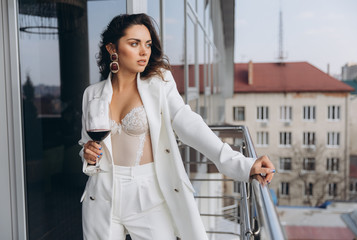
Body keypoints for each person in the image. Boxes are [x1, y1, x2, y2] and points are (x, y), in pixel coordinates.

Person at [79, 13, 275, 240]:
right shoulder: (92, 94)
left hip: (149, 195)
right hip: (103, 195)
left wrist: (241, 164)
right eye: (134, 44)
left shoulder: (158, 82)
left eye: (148, 44)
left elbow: (187, 122)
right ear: (112, 48)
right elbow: (86, 145)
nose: (144, 51)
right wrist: (88, 155)